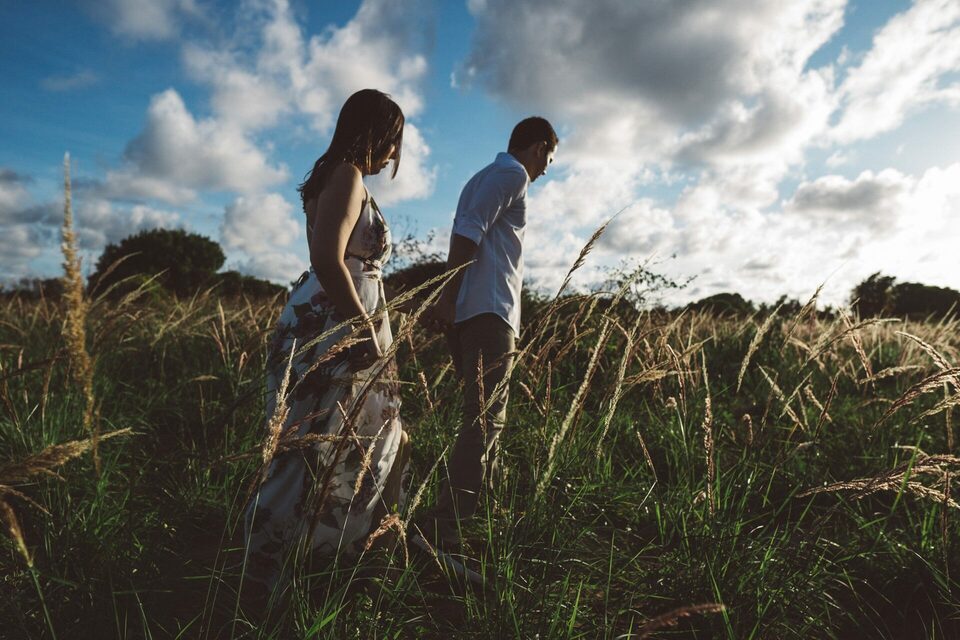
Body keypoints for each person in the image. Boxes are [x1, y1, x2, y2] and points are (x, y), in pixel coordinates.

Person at [242, 89, 411, 604]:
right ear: (376, 133)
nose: (394, 156)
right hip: (337, 323)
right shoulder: (347, 174)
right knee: (324, 441)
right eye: (393, 142)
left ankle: (305, 555)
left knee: (321, 440)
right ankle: (291, 565)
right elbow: (327, 259)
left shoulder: (332, 175)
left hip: (331, 316)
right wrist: (363, 329)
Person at [414, 117, 558, 558]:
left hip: (476, 312)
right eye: (549, 157)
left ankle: (470, 516)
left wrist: (451, 303)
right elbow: (468, 232)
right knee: (484, 420)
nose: (547, 169)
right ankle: (450, 528)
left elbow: (471, 232)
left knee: (483, 419)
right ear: (538, 147)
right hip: (488, 312)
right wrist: (447, 297)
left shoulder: (484, 175)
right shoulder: (511, 174)